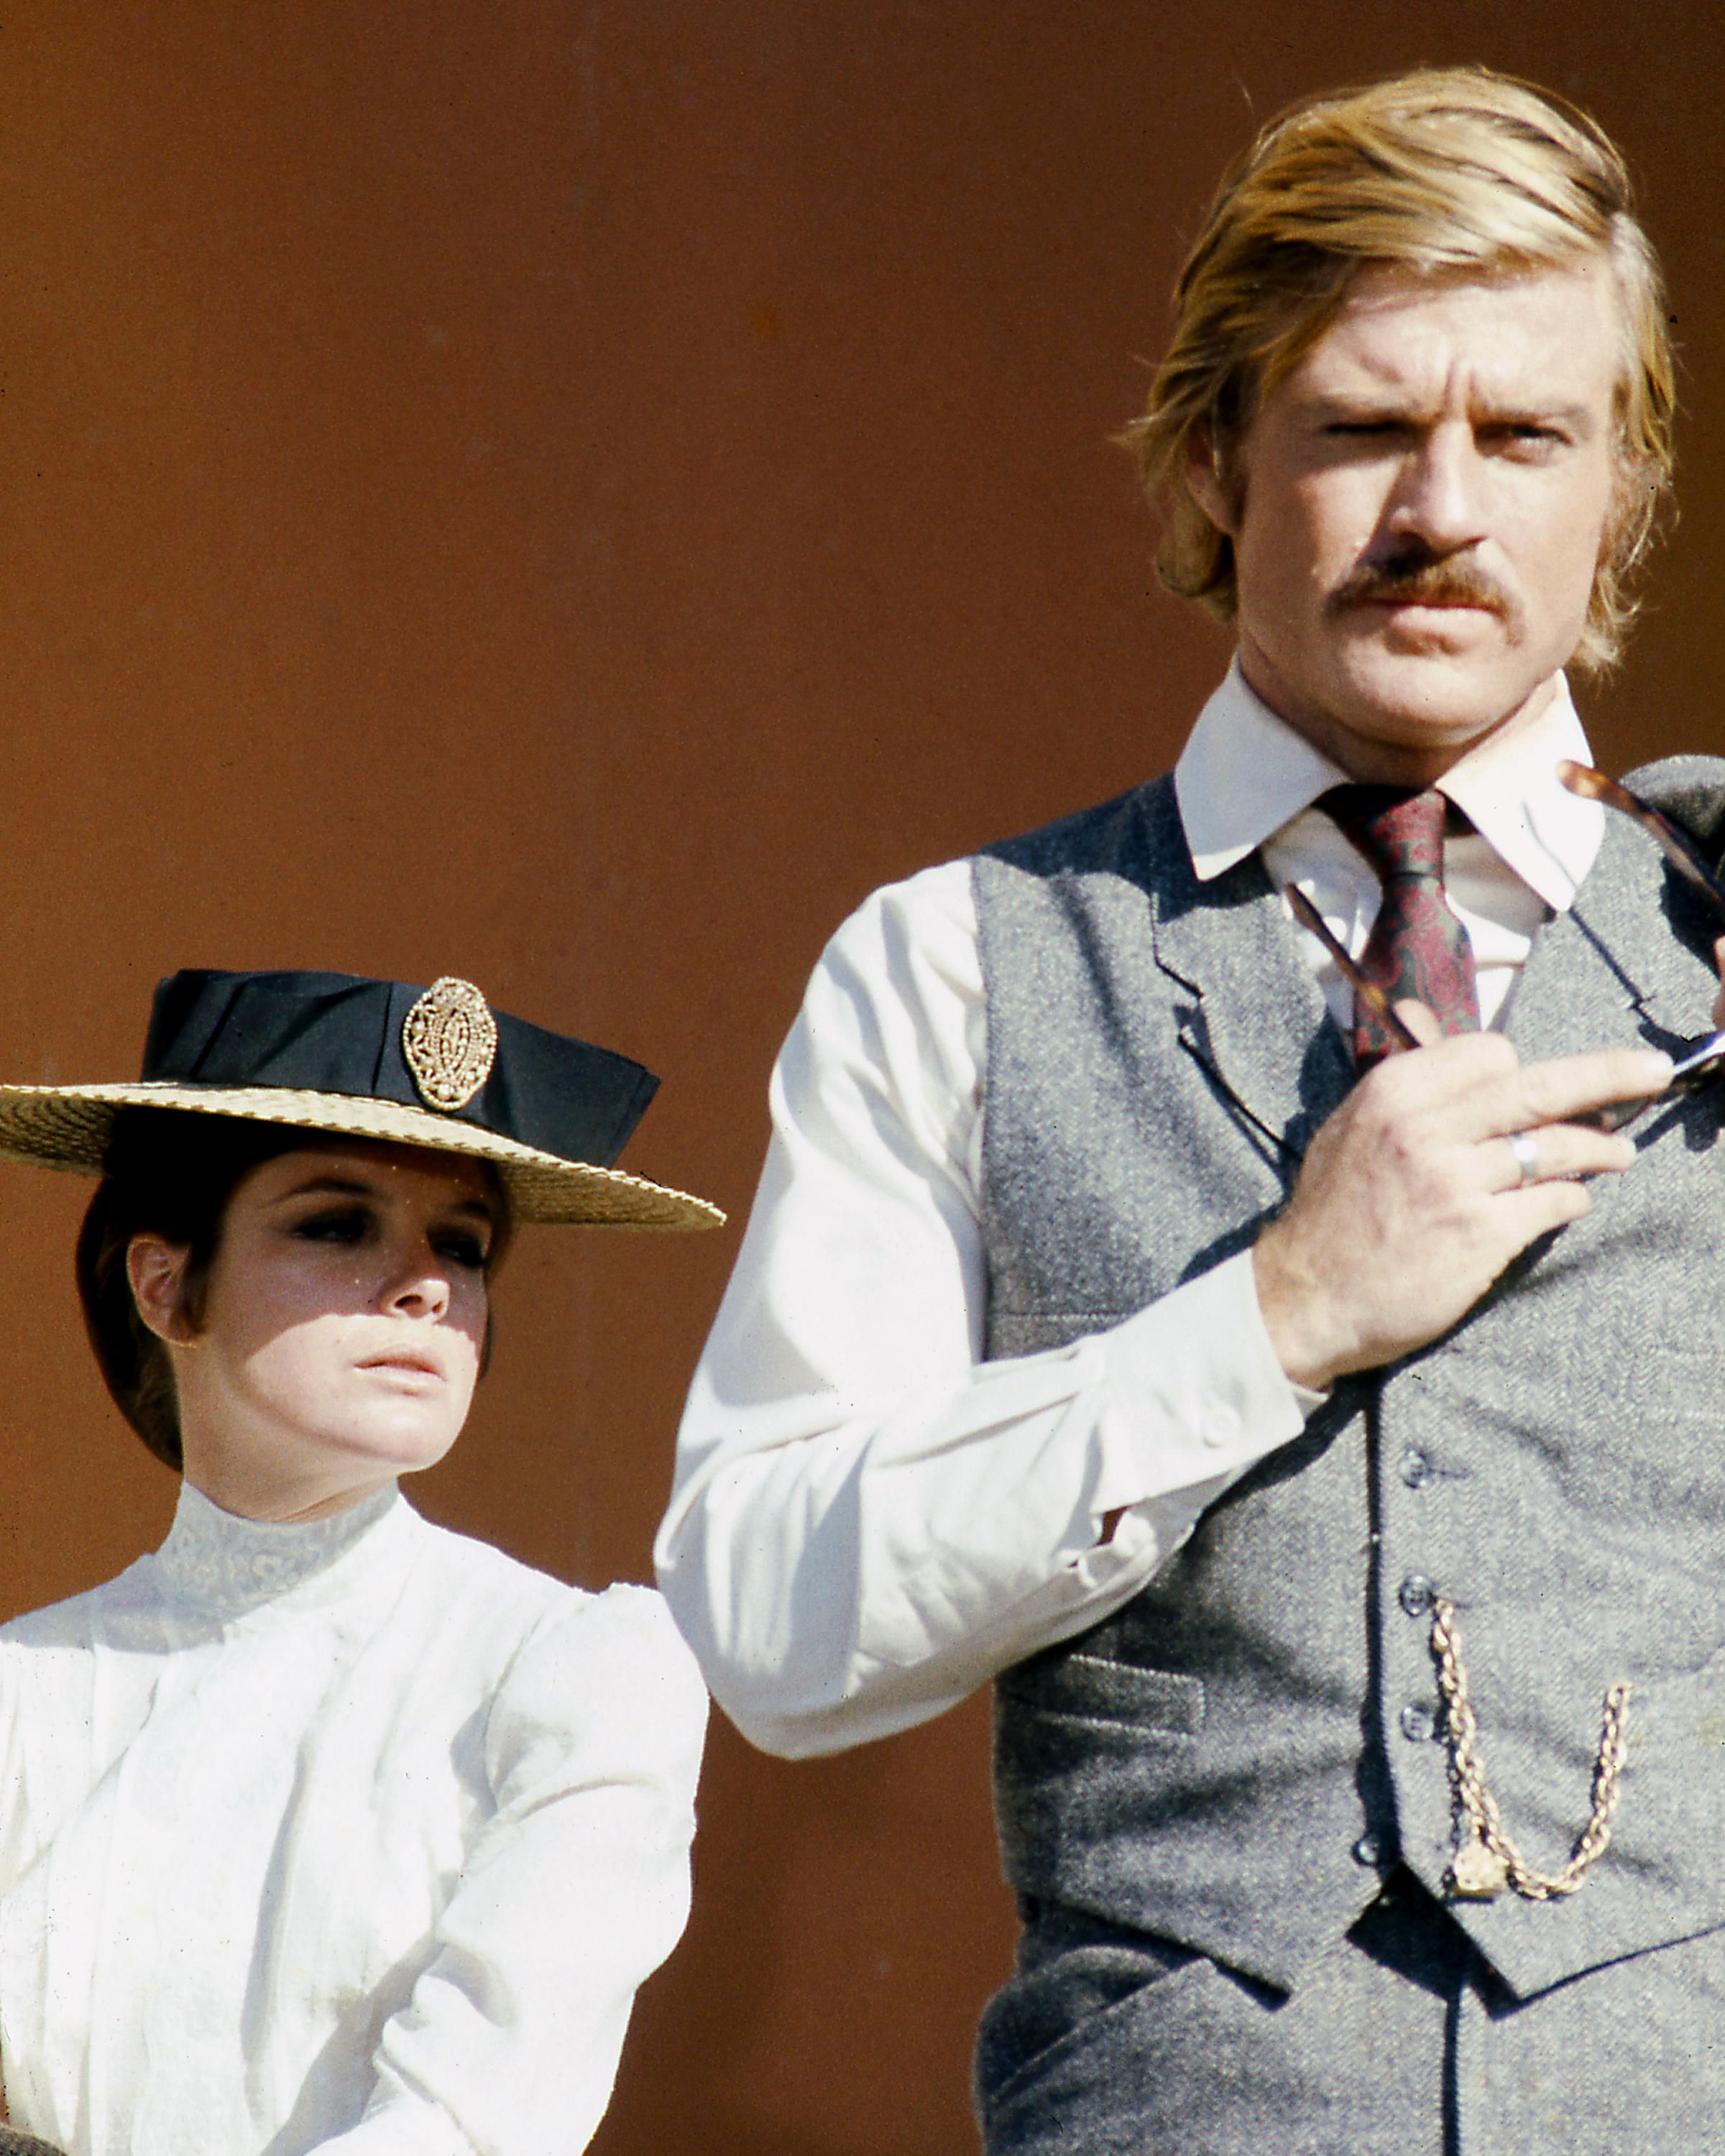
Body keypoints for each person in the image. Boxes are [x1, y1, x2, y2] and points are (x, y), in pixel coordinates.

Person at [656, 66, 1725, 2154]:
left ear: (1627, 489)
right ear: (1216, 454)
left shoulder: (1718, 929)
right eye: (1359, 426)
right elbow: (768, 1615)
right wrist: (1265, 1326)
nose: (1443, 510)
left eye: (1524, 434)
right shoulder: (955, 962)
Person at [0, 967, 718, 2156]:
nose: (426, 1285)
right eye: (336, 1225)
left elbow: (474, 2121)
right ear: (167, 1286)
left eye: (466, 1244)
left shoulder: (574, 1670)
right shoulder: (23, 1687)